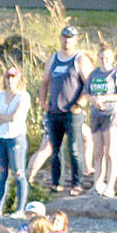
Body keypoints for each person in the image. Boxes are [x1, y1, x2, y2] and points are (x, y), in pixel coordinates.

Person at [40, 26, 92, 194]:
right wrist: (43, 102)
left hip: (73, 112)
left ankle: (77, 183)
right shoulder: (53, 58)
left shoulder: (80, 59)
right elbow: (44, 82)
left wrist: (79, 104)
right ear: (60, 38)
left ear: (76, 39)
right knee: (56, 150)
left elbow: (90, 84)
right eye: (64, 36)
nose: (67, 40)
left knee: (75, 149)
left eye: (70, 37)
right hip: (54, 111)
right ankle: (57, 183)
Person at [84, 44, 117, 197]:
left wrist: (106, 97)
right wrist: (94, 100)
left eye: (107, 58)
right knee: (98, 152)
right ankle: (97, 184)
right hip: (96, 115)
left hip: (111, 115)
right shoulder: (93, 74)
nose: (104, 61)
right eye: (102, 58)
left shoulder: (116, 73)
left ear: (112, 59)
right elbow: (87, 94)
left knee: (111, 152)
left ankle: (110, 186)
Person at [0, 66, 31, 216]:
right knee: (1, 174)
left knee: (19, 173)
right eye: (8, 77)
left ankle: (20, 209)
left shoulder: (23, 96)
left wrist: (2, 117)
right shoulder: (0, 96)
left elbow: (15, 117)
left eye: (13, 77)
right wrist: (5, 118)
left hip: (16, 137)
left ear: (19, 79)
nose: (10, 80)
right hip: (0, 138)